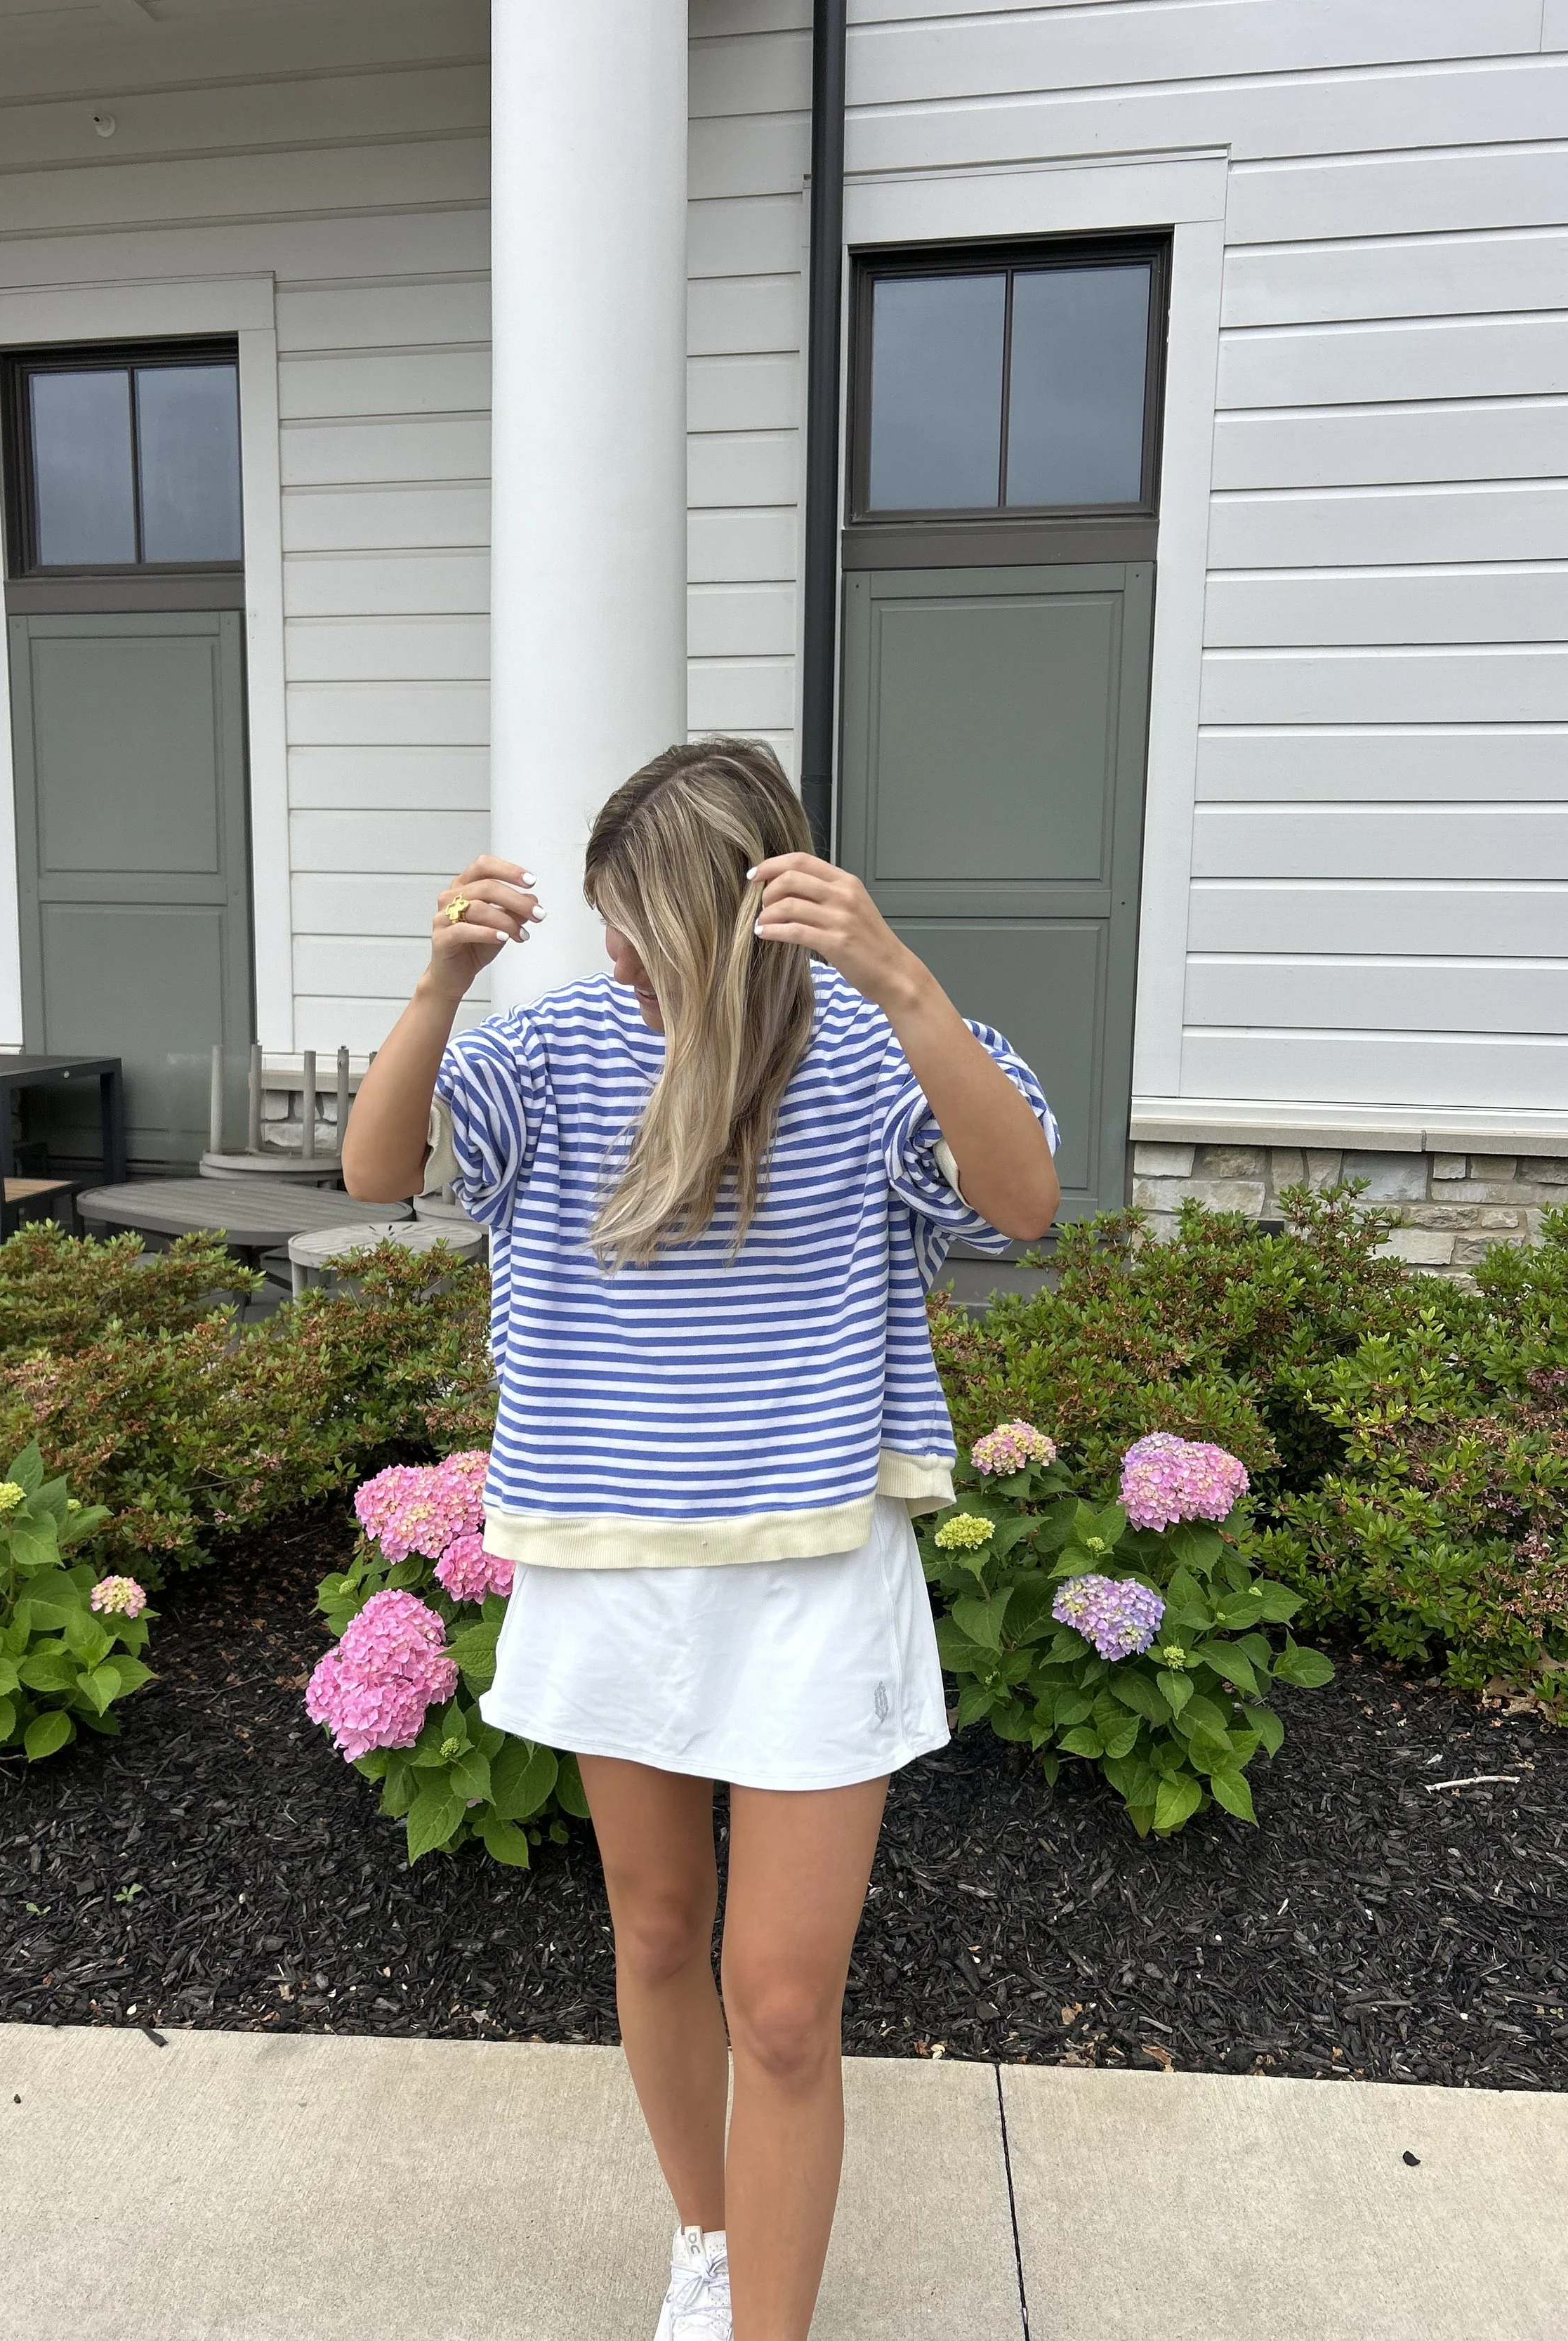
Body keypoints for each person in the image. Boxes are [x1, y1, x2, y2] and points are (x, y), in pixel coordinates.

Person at [343, 738, 1059, 2341]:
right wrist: (440, 985)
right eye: (606, 921)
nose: (617, 957)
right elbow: (377, 1169)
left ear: (735, 923)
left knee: (786, 2010)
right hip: (611, 1562)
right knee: (659, 1932)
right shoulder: (553, 1049)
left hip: (814, 1569)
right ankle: (709, 2239)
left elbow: (1022, 1205)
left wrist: (904, 981)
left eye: (644, 927)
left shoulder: (869, 1044)